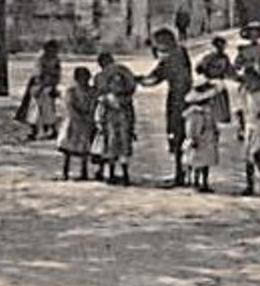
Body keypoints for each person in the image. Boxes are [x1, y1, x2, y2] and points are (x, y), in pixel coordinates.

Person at [138, 27, 194, 187]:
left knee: (176, 135)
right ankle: (185, 173)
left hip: (177, 99)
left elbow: (156, 77)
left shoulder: (171, 58)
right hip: (187, 97)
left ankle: (180, 174)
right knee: (184, 135)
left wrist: (139, 81)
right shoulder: (181, 52)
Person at [234, 22, 260, 196]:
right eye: (250, 33)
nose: (254, 36)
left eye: (256, 33)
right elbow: (236, 67)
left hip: (259, 125)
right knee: (248, 156)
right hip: (249, 125)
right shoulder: (242, 51)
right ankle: (250, 185)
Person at [92, 51, 137, 186]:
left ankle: (116, 174)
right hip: (118, 119)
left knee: (114, 146)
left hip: (113, 120)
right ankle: (121, 174)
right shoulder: (124, 72)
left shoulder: (102, 83)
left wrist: (99, 121)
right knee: (120, 146)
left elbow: (98, 98)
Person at [14, 39, 62, 141]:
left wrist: (53, 85)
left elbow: (57, 75)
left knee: (48, 110)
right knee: (35, 110)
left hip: (49, 87)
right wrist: (40, 85)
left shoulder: (56, 60)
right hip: (39, 87)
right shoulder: (41, 59)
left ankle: (52, 129)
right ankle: (34, 130)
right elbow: (38, 74)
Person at [57, 67, 99, 180]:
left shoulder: (92, 91)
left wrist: (89, 115)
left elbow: (94, 104)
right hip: (73, 121)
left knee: (85, 146)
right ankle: (65, 171)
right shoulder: (71, 91)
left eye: (86, 77)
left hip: (87, 121)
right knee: (68, 146)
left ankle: (84, 171)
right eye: (81, 77)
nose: (84, 80)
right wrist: (78, 115)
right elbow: (69, 105)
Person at [183, 89, 219, 192]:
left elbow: (213, 123)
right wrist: (192, 138)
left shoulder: (208, 112)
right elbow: (190, 128)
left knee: (204, 161)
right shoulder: (194, 113)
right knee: (197, 161)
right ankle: (196, 181)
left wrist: (215, 132)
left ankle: (204, 182)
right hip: (200, 138)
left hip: (208, 137)